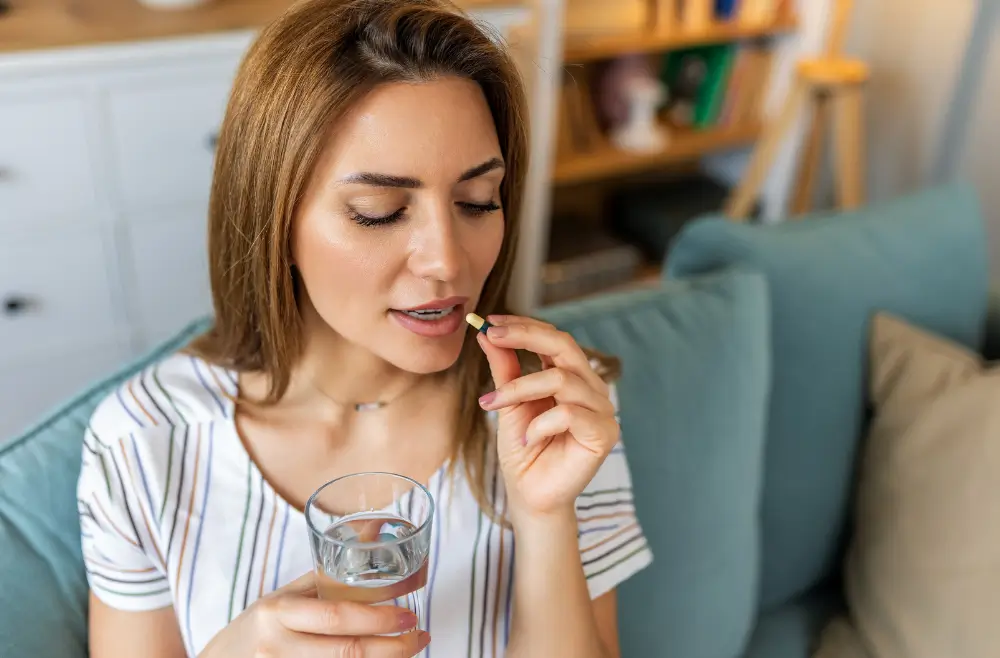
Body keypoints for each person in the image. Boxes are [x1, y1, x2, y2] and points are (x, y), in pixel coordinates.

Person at [77, 0, 652, 656]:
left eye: (476, 202)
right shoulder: (142, 443)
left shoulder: (557, 411)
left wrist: (545, 517)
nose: (447, 261)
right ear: (274, 221)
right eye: (379, 212)